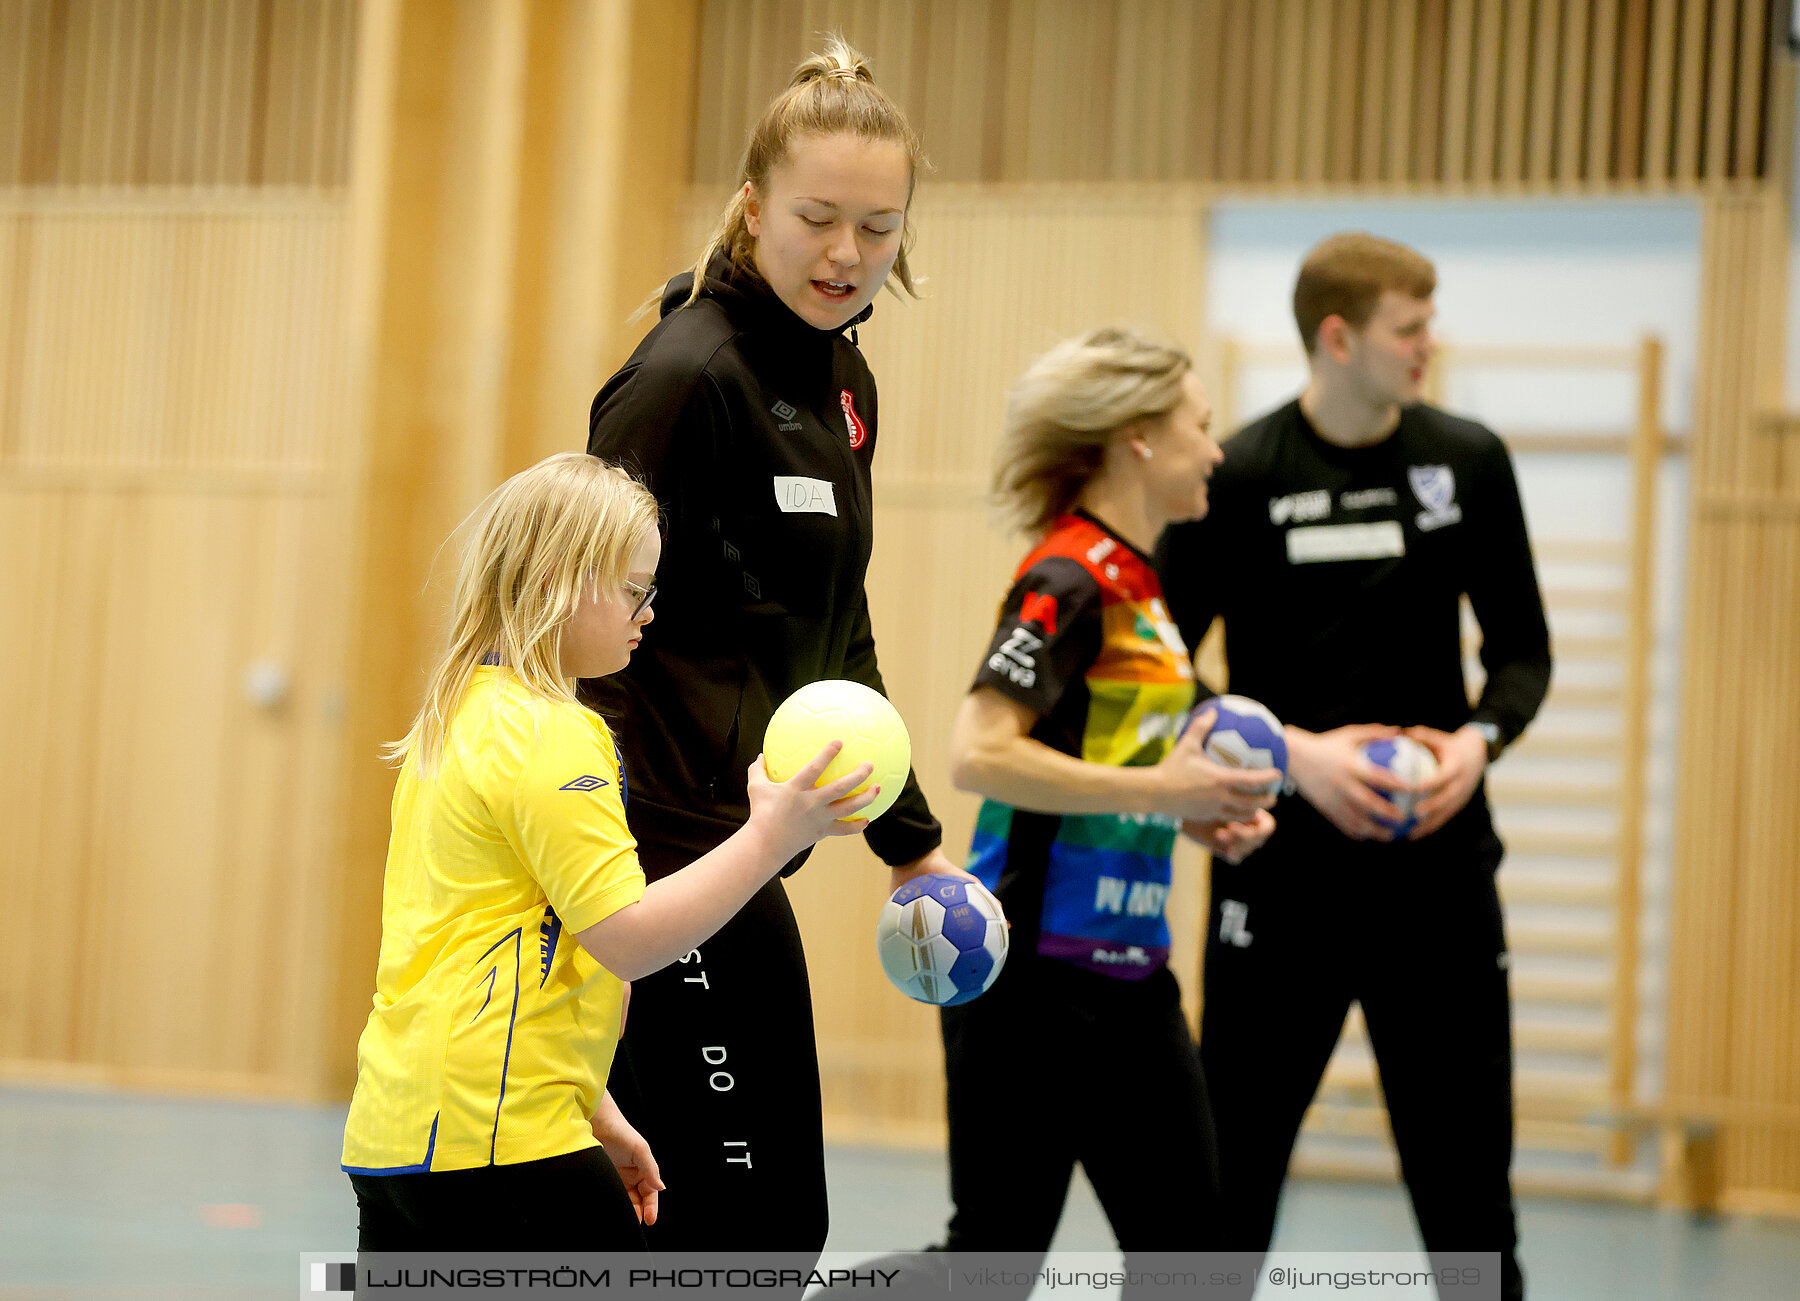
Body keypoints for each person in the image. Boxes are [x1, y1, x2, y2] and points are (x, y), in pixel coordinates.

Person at [582, 38, 963, 1253]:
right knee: (730, 1228)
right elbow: (570, 626)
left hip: (744, 851)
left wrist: (910, 849)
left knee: (766, 1227)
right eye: (816, 219)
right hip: (655, 862)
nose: (848, 255)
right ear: (752, 206)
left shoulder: (845, 381)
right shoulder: (684, 375)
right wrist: (600, 854)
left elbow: (838, 624)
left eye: (879, 227)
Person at [340, 452, 877, 1250]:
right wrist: (773, 834)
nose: (648, 611)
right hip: (505, 1140)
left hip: (399, 1139)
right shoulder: (554, 731)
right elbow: (625, 936)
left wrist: (596, 1110)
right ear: (562, 577)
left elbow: (484, 941)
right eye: (634, 589)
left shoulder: (461, 716)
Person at [1156, 232, 1552, 1300]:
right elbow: (1154, 670)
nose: (1431, 344)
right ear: (1338, 338)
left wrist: (1475, 744)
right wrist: (1295, 758)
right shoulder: (1235, 476)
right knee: (1227, 1190)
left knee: (1472, 1200)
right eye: (1409, 328)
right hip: (1281, 878)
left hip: (1439, 879)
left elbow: (1523, 652)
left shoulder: (1467, 461)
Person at [917, 328, 1280, 1277]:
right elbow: (981, 752)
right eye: (1201, 425)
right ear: (1139, 440)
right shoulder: (1068, 578)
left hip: (1127, 973)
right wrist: (1166, 788)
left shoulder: (1143, 585)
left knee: (1192, 1260)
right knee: (989, 1263)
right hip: (1029, 980)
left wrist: (1188, 810)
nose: (1218, 448)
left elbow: (1102, 762)